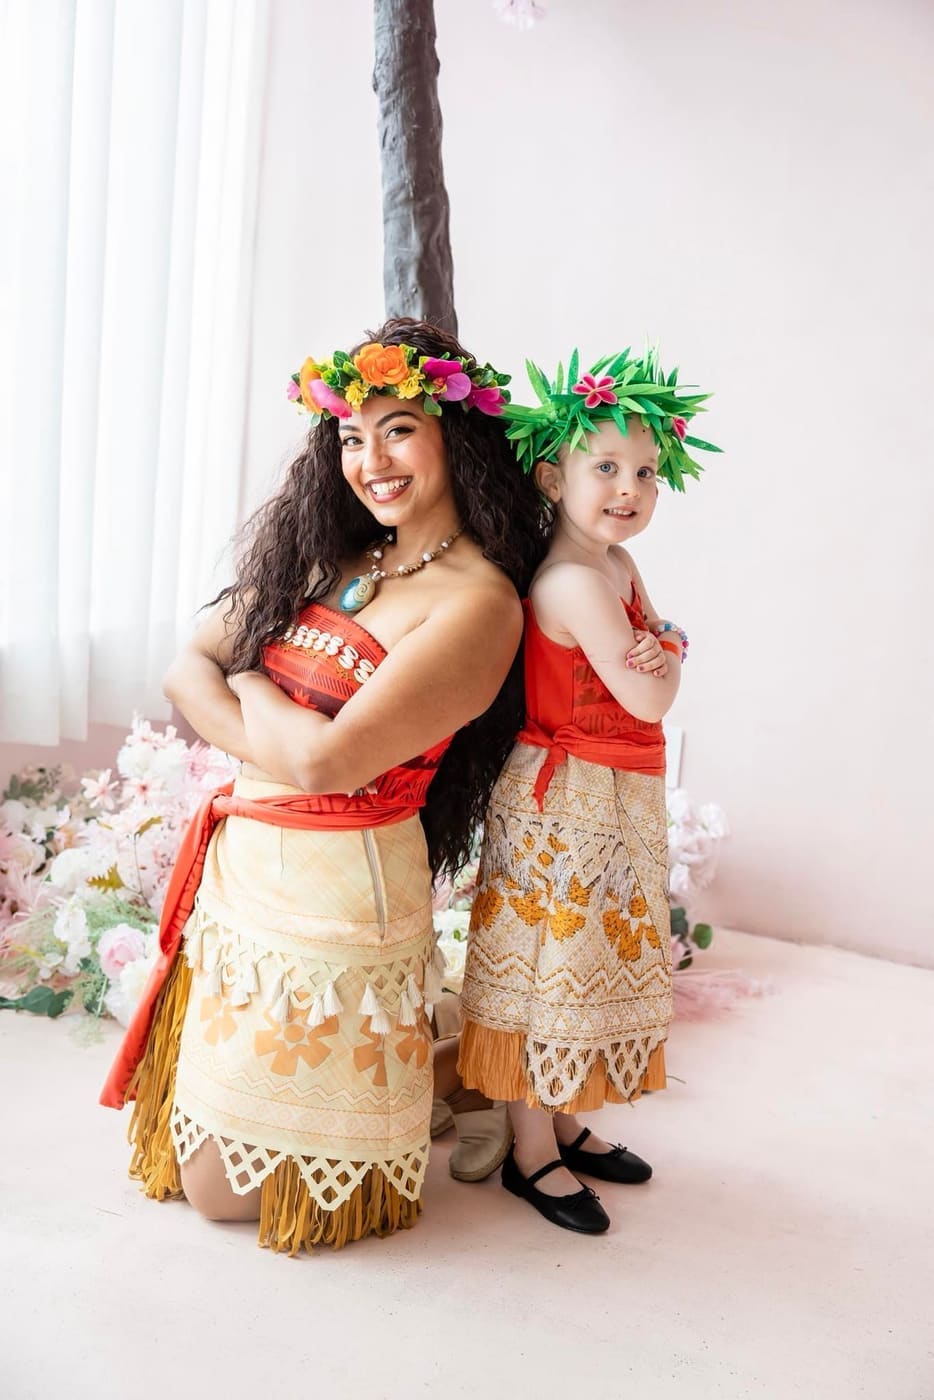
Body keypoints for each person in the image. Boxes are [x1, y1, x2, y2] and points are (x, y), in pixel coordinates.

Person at [100, 318, 543, 1254]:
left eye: (397, 429)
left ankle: (459, 1078)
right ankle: (445, 1060)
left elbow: (326, 766)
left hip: (343, 894)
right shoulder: (334, 550)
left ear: (453, 438)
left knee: (220, 1198)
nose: (369, 459)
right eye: (350, 435)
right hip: (245, 872)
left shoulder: (479, 604)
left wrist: (252, 680)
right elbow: (185, 667)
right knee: (183, 1173)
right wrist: (275, 725)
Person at [457, 346, 720, 1233]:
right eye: (604, 467)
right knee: (551, 970)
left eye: (644, 471)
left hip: (616, 794)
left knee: (592, 961)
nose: (629, 488)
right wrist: (671, 653)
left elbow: (658, 654)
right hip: (566, 801)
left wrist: (664, 647)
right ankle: (530, 1155)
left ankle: (565, 1121)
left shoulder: (615, 566)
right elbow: (651, 690)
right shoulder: (572, 580)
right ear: (550, 475)